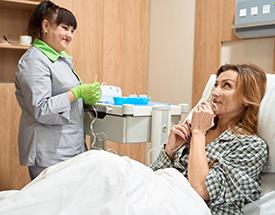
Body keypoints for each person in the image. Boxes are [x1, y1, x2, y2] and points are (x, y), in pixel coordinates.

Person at [151, 63, 268, 214]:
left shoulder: (251, 146)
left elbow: (201, 191)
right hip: (159, 197)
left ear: (247, 98)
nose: (214, 92)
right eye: (216, 85)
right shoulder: (195, 131)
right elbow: (154, 175)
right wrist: (169, 152)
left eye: (226, 86)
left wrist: (198, 133)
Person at [15, 0, 100, 180]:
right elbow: (41, 108)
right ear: (46, 26)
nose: (69, 35)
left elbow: (65, 97)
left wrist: (85, 98)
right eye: (64, 28)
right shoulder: (34, 61)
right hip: (50, 152)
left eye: (72, 30)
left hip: (71, 146)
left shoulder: (60, 59)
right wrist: (76, 92)